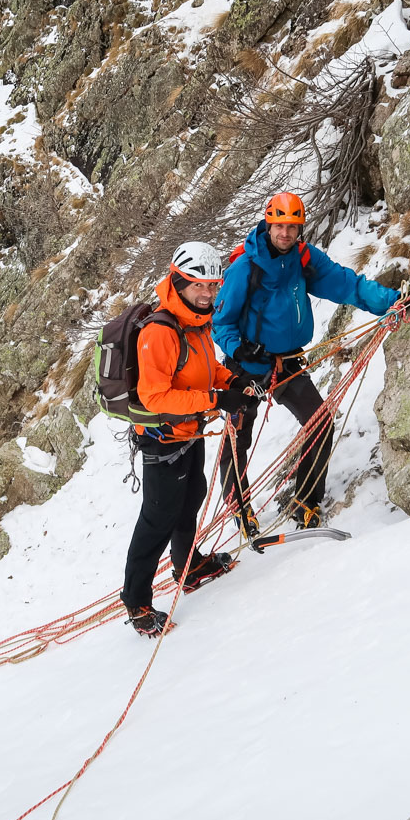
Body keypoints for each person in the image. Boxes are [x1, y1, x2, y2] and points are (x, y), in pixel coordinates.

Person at [213, 192, 410, 533]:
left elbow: (347, 285)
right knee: (237, 437)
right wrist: (242, 350)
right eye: (279, 226)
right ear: (268, 224)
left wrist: (395, 300)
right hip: (247, 366)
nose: (285, 234)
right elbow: (221, 322)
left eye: (292, 227)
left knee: (319, 423)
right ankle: (238, 504)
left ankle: (306, 499)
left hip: (288, 363)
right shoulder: (245, 268)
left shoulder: (303, 259)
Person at [121, 241, 258, 637]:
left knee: (191, 498)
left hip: (190, 431)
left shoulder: (196, 322)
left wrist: (233, 381)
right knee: (157, 518)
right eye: (200, 286)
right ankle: (137, 602)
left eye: (214, 286)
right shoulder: (160, 331)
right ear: (179, 282)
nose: (209, 294)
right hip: (163, 439)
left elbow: (205, 368)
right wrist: (217, 399)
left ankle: (187, 566)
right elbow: (155, 396)